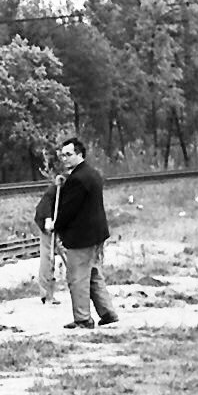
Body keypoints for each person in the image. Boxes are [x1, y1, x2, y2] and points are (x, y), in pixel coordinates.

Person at [46, 136, 119, 330]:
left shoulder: (78, 179)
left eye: (69, 155)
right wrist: (63, 183)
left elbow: (69, 209)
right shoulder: (91, 173)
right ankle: (107, 312)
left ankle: (83, 319)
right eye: (62, 156)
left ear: (79, 154)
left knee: (77, 277)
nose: (64, 159)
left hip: (82, 237)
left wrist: (55, 224)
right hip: (96, 234)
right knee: (93, 272)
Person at [32, 172, 62, 305]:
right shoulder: (58, 188)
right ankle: (46, 293)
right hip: (48, 222)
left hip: (61, 223)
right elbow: (45, 204)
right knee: (48, 257)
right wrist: (48, 219)